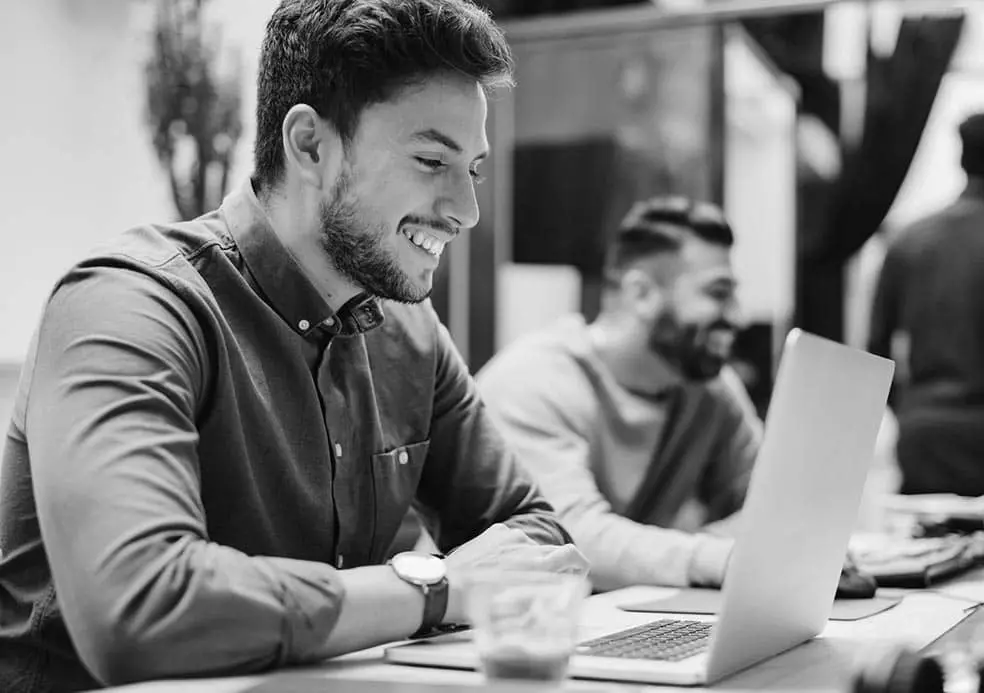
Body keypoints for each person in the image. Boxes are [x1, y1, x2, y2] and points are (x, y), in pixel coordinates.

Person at [0, 1, 587, 690]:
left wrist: (449, 585)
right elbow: (141, 607)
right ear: (310, 144)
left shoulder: (409, 329)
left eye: (474, 170)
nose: (466, 209)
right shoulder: (130, 305)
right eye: (432, 160)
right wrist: (432, 585)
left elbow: (537, 536)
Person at [476, 196, 762, 591]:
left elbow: (769, 514)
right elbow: (571, 540)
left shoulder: (712, 393)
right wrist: (723, 555)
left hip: (626, 619)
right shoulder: (533, 382)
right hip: (513, 631)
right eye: (717, 293)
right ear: (641, 293)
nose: (737, 315)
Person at [868, 112, 984, 497]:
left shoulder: (910, 240)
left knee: (927, 556)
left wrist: (910, 411)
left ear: (961, 159)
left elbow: (876, 348)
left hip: (926, 433)